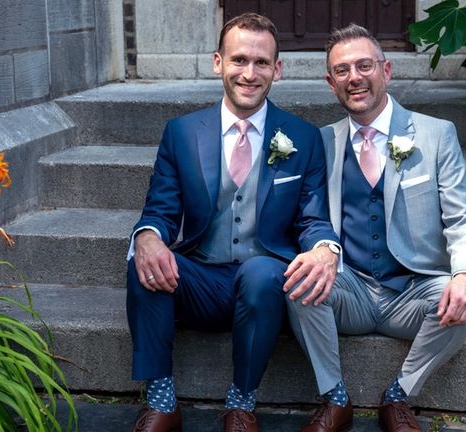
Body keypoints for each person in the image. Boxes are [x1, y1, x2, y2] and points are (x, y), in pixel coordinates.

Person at [126, 12, 340, 432]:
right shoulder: (182, 133)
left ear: (277, 70)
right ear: (217, 62)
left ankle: (241, 404)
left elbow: (313, 219)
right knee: (144, 257)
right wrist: (149, 236)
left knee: (262, 271)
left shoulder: (302, 136)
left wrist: (323, 248)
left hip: (265, 287)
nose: (249, 73)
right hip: (201, 279)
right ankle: (162, 400)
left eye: (262, 63)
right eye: (239, 59)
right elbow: (161, 209)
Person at [284, 24, 466, 432]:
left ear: (387, 70)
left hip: (414, 289)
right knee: (298, 284)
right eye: (341, 71)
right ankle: (334, 398)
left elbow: (464, 218)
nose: (354, 77)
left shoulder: (435, 134)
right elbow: (305, 216)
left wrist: (465, 275)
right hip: (351, 290)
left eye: (364, 66)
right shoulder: (321, 142)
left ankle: (398, 396)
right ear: (330, 82)